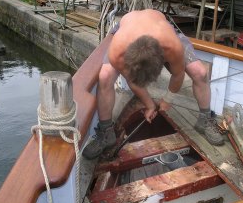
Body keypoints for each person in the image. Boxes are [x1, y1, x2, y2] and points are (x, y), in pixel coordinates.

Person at [83, 9, 224, 159]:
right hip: (127, 27)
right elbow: (132, 80)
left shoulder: (172, 45)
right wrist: (149, 104)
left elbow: (178, 74)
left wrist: (167, 99)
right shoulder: (117, 50)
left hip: (161, 26)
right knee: (105, 76)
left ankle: (205, 120)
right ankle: (106, 132)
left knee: (200, 73)